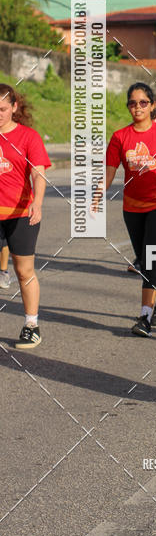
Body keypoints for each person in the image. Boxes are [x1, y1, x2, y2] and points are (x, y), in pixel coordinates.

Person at [93, 83, 156, 337]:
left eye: (143, 103)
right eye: (132, 103)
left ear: (152, 105)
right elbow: (109, 171)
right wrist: (97, 194)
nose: (137, 107)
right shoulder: (120, 137)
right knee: (146, 262)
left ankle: (145, 317)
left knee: (150, 258)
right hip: (133, 206)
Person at [0, 84, 51, 349]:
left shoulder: (28, 137)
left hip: (21, 214)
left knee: (23, 271)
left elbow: (38, 173)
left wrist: (38, 203)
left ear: (14, 107)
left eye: (2, 109)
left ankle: (32, 325)